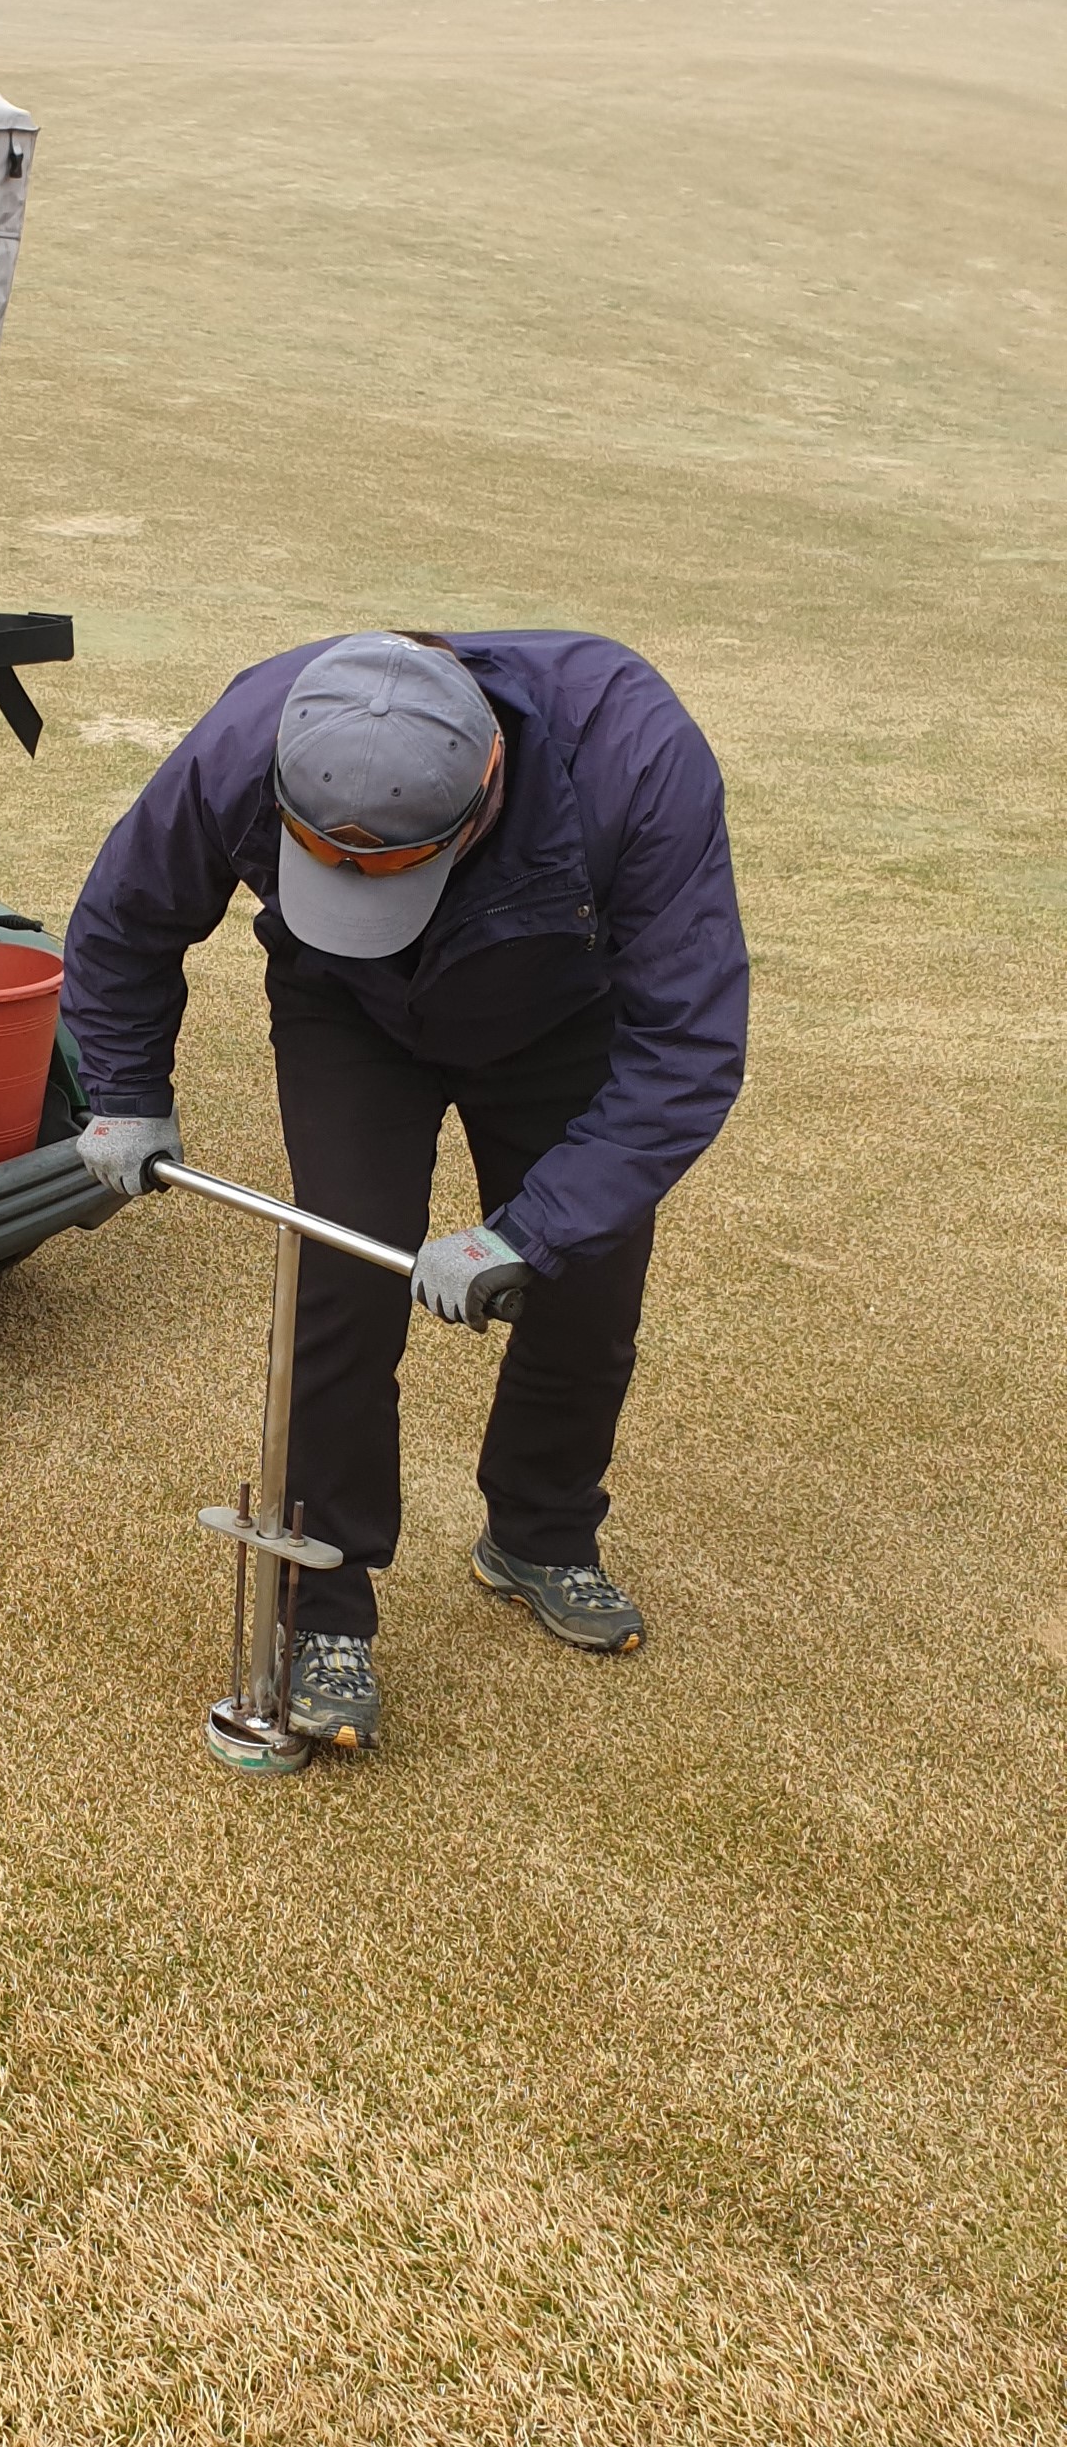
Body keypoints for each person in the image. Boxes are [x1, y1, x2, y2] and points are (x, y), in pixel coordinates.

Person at [63, 629, 747, 1745]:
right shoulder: (248, 739)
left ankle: (540, 1529)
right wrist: (126, 1089)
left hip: (557, 1011)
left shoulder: (632, 757)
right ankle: (322, 1606)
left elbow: (689, 1048)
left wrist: (534, 1227)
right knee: (341, 1278)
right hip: (348, 1012)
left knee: (584, 1281)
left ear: (483, 794)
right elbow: (128, 917)